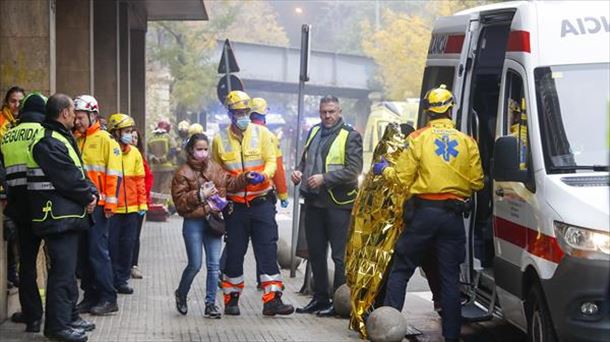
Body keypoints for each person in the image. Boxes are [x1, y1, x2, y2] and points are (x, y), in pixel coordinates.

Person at [373, 85, 484, 342]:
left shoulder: (418, 138)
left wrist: (383, 169)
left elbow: (401, 178)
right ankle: (452, 336)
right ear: (451, 108)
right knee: (449, 279)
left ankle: (388, 330)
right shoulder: (467, 142)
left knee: (401, 270)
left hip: (423, 214)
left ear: (428, 111)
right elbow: (477, 182)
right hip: (452, 217)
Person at [212, 90, 294, 316]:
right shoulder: (220, 140)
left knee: (267, 250)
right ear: (230, 113)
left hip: (262, 203)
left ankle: (272, 300)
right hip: (235, 206)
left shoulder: (263, 134)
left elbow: (271, 162)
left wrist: (264, 176)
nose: (243, 116)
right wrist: (221, 196)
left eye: (246, 111)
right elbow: (216, 173)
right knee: (235, 252)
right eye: (238, 112)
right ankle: (231, 298)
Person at [28, 93, 98, 342]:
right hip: (57, 217)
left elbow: (77, 173)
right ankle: (57, 327)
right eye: (73, 111)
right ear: (64, 113)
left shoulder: (59, 137)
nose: (76, 118)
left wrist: (91, 192)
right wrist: (89, 195)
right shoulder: (49, 141)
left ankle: (69, 317)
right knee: (61, 273)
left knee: (68, 272)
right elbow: (68, 179)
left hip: (66, 216)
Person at [291, 95, 363, 317]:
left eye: (331, 111)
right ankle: (320, 298)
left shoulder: (350, 136)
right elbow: (306, 160)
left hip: (338, 204)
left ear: (339, 111)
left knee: (339, 256)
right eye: (323, 112)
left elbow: (354, 170)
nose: (327, 116)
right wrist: (298, 171)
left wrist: (325, 178)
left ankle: (339, 302)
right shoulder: (313, 131)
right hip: (314, 202)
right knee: (316, 253)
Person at [171, 133, 243, 318]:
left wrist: (246, 178)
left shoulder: (215, 168)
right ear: (191, 150)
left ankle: (210, 304)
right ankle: (181, 293)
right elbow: (180, 203)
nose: (203, 153)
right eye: (199, 149)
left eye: (205, 149)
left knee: (214, 267)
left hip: (214, 223)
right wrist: (200, 196)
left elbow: (230, 183)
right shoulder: (182, 173)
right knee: (195, 264)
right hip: (193, 222)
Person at [1, 93, 47, 332]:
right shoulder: (46, 133)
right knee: (60, 263)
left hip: (19, 210)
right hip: (48, 208)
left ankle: (33, 318)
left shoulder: (7, 136)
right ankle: (63, 315)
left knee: (26, 265)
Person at [73, 94, 121, 316]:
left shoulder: (106, 140)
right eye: (76, 117)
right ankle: (90, 296)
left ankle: (108, 297)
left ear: (93, 115)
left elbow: (114, 175)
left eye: (81, 117)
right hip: (82, 205)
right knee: (83, 254)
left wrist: (109, 205)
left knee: (97, 252)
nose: (77, 121)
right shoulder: (77, 139)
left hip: (100, 206)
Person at [106, 113, 148, 295]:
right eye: (127, 131)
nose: (130, 135)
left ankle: (122, 279)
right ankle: (112, 278)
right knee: (112, 245)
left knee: (127, 245)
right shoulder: (109, 150)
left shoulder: (135, 153)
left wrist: (142, 205)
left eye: (131, 131)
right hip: (113, 209)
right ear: (116, 132)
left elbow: (140, 181)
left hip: (131, 209)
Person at [1, 86, 25, 289]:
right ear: (6, 102)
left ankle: (13, 271)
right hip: (6, 187)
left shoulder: (18, 124)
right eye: (13, 101)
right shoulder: (2, 123)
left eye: (20, 101)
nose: (17, 105)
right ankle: (11, 272)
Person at [250, 98, 289, 208]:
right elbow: (278, 169)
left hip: (241, 196)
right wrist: (283, 194)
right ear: (265, 114)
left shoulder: (242, 134)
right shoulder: (271, 137)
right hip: (263, 194)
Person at [130, 129, 154, 279]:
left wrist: (142, 200)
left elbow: (147, 180)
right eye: (130, 136)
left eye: (135, 137)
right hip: (122, 204)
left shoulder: (140, 158)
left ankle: (133, 265)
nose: (132, 140)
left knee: (135, 236)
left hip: (138, 203)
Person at [147, 118, 177, 209]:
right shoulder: (167, 137)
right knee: (164, 188)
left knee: (154, 187)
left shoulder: (151, 137)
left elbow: (148, 152)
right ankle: (162, 206)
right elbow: (173, 150)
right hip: (167, 167)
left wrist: (154, 158)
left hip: (155, 167)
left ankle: (153, 205)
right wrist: (164, 158)